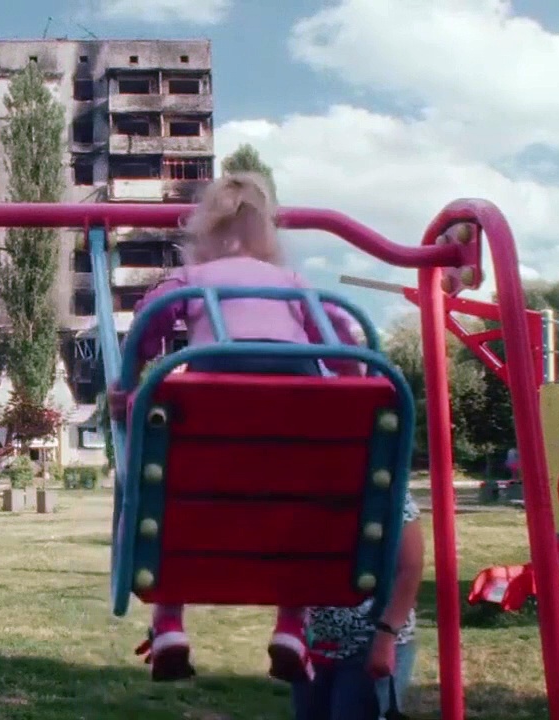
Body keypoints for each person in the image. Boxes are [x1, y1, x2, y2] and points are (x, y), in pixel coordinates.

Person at [128, 172, 367, 683]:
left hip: (211, 426)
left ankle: (169, 625)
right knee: (301, 513)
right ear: (269, 233)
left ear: (203, 230)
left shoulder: (192, 278)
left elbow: (148, 322)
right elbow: (343, 339)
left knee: (175, 502)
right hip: (295, 427)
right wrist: (354, 388)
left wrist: (128, 382)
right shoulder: (293, 284)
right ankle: (291, 629)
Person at [293, 492, 427, 719]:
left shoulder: (388, 494)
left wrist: (386, 637)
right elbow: (292, 561)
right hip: (316, 642)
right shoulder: (309, 492)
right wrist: (291, 628)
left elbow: (410, 567)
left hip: (369, 644)